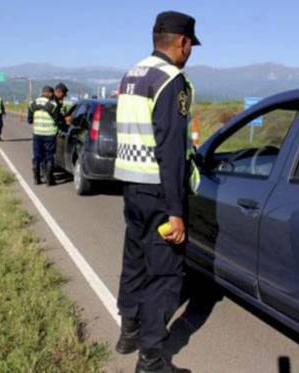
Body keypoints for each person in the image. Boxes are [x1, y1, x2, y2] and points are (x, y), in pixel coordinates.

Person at [113, 10, 200, 373]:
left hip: (132, 187)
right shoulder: (171, 81)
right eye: (191, 45)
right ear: (181, 42)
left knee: (134, 261)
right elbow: (170, 148)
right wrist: (176, 209)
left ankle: (128, 330)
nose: (191, 52)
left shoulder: (132, 74)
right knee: (163, 275)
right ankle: (150, 360)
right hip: (160, 193)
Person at [27, 86, 61, 186]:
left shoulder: (32, 104)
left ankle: (37, 179)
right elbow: (57, 120)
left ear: (42, 92)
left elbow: (29, 120)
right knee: (49, 156)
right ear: (50, 94)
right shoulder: (53, 105)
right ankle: (49, 180)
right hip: (50, 134)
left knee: (37, 156)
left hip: (37, 133)